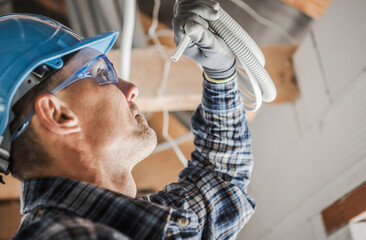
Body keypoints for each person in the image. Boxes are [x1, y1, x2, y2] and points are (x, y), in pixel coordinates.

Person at [0, 0, 255, 239]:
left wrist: (220, 74)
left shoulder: (140, 223)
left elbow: (223, 182)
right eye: (102, 72)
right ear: (59, 114)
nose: (131, 89)